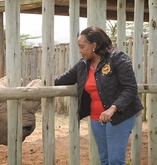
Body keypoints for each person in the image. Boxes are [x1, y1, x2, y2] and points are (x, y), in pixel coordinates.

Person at [55, 26, 143, 165]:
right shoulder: (83, 65)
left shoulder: (117, 58)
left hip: (120, 115)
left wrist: (113, 108)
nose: (80, 50)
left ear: (94, 45)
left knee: (115, 160)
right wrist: (38, 84)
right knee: (105, 159)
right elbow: (61, 80)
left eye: (82, 47)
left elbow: (130, 88)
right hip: (97, 118)